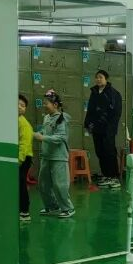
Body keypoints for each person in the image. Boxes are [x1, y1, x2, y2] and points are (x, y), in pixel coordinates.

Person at [35, 91, 75, 219]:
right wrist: (40, 133)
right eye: (44, 103)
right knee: (43, 184)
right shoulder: (47, 117)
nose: (44, 105)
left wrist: (43, 138)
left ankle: (68, 208)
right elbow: (46, 131)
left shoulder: (62, 119)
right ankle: (52, 206)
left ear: (55, 105)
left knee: (60, 185)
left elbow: (61, 137)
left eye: (46, 103)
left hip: (59, 157)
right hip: (46, 156)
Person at [84, 69, 123, 188]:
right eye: (97, 77)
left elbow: (116, 113)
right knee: (100, 152)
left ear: (106, 79)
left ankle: (114, 177)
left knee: (109, 152)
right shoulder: (94, 92)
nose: (98, 79)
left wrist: (111, 127)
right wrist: (88, 124)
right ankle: (106, 175)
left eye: (101, 77)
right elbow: (90, 110)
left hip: (108, 129)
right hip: (97, 129)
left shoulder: (113, 93)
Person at [17, 94, 34, 222]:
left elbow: (24, 144)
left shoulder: (24, 123)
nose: (19, 107)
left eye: (22, 106)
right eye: (17, 104)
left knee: (21, 183)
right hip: (20, 157)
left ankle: (24, 211)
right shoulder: (15, 120)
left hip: (24, 158)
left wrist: (19, 160)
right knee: (18, 183)